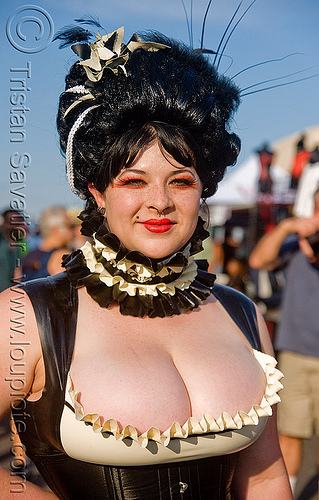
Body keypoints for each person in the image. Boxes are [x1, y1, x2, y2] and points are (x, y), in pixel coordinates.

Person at [0, 25, 291, 499]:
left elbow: (267, 476)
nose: (159, 202)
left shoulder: (241, 312)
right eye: (133, 181)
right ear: (97, 191)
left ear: (204, 190)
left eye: (181, 181)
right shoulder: (29, 314)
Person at [249, 189, 319, 495]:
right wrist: (288, 227)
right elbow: (258, 259)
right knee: (290, 434)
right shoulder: (293, 245)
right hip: (295, 354)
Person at [19, 206, 74, 281]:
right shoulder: (62, 257)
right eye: (70, 226)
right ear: (56, 230)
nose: (73, 232)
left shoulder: (28, 256)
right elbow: (71, 289)